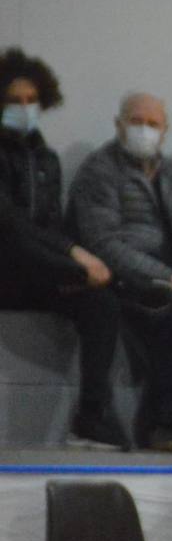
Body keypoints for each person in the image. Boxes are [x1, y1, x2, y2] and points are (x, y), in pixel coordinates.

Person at [0, 47, 128, 449]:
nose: (25, 108)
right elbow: (14, 230)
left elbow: (51, 227)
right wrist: (74, 265)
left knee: (104, 300)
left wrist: (77, 253)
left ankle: (91, 417)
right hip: (7, 267)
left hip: (31, 269)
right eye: (14, 101)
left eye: (31, 100)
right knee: (90, 277)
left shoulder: (46, 158)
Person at [67, 91, 172, 451]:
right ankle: (160, 424)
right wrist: (166, 278)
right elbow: (104, 243)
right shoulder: (98, 170)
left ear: (166, 129)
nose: (145, 130)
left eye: (153, 124)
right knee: (166, 312)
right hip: (125, 277)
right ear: (119, 125)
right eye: (136, 122)